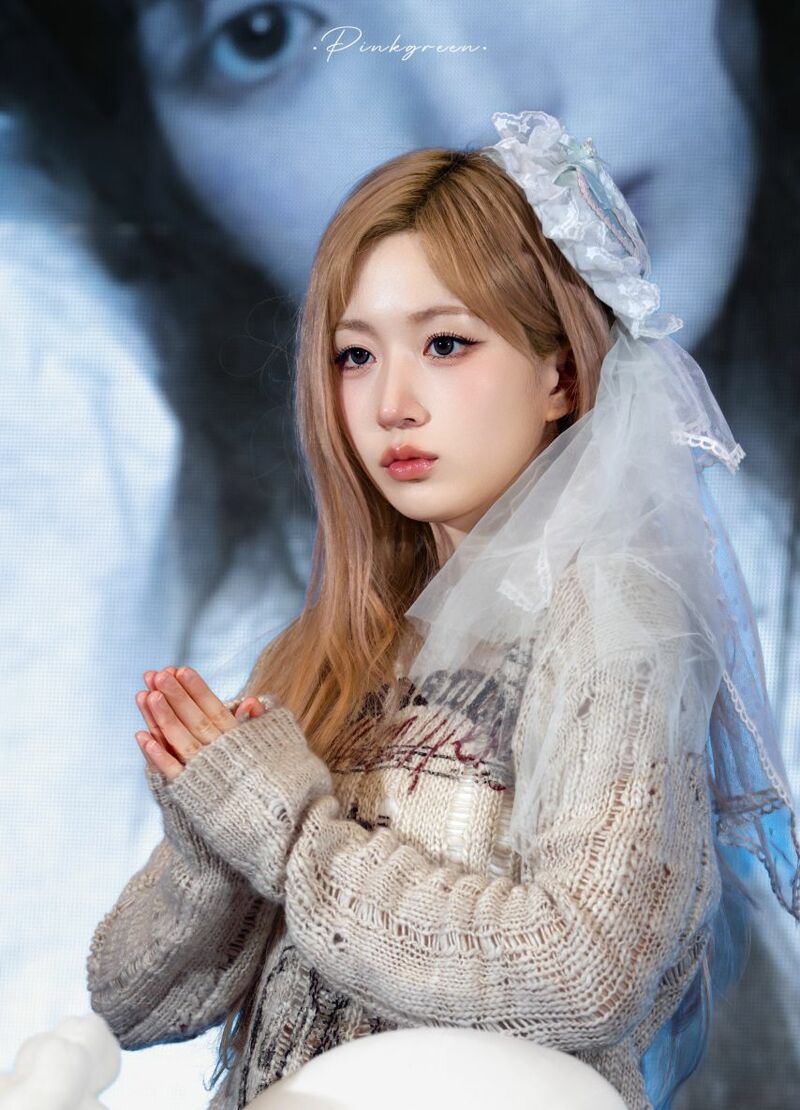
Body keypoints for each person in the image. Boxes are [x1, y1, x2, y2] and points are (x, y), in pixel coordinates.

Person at [86, 110, 800, 1110]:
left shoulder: (615, 612)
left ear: (559, 375)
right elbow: (130, 1003)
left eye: (446, 344)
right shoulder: (329, 647)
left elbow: (586, 973)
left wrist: (292, 837)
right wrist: (215, 834)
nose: (392, 405)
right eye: (355, 356)